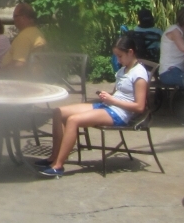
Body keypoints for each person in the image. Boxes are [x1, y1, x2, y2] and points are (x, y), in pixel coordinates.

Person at [38, 35, 149, 178]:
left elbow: (140, 107)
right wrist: (107, 96)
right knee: (58, 112)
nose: (118, 60)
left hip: (120, 113)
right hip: (109, 105)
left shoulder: (139, 74)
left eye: (120, 56)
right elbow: (119, 93)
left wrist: (112, 100)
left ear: (130, 52)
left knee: (73, 120)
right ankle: (53, 157)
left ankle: (58, 166)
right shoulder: (123, 70)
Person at [0, 3, 47, 73]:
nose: (13, 19)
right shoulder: (37, 33)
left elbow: (18, 65)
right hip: (34, 80)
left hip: (15, 81)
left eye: (15, 16)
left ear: (24, 17)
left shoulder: (24, 37)